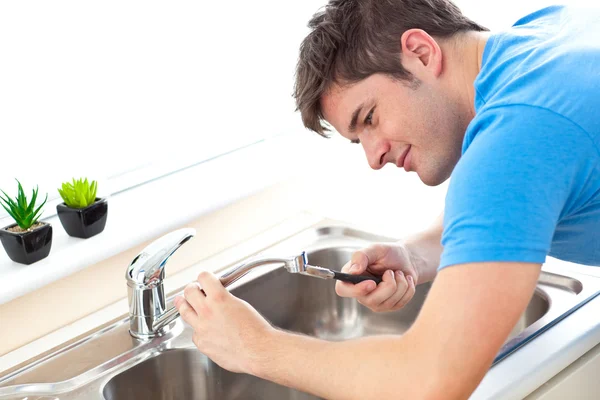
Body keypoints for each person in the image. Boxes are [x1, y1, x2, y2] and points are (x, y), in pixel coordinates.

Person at [174, 0, 600, 398]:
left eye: (370, 118)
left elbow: (430, 380)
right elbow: (507, 202)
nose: (374, 157)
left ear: (420, 51)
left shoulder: (515, 140)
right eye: (358, 139)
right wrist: (415, 256)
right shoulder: (546, 36)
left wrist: (255, 347)